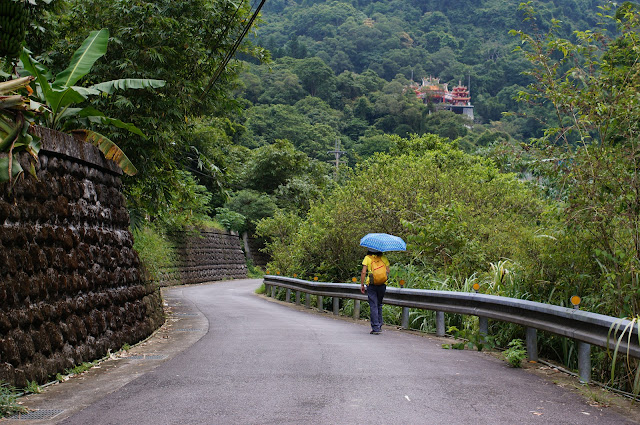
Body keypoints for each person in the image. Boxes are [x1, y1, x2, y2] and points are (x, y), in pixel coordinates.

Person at [360, 250, 390, 334]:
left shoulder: (367, 258)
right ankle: (379, 325)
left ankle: (375, 327)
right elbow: (388, 271)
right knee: (379, 304)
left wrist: (362, 284)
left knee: (373, 305)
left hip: (371, 284)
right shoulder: (383, 258)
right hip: (382, 284)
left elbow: (363, 272)